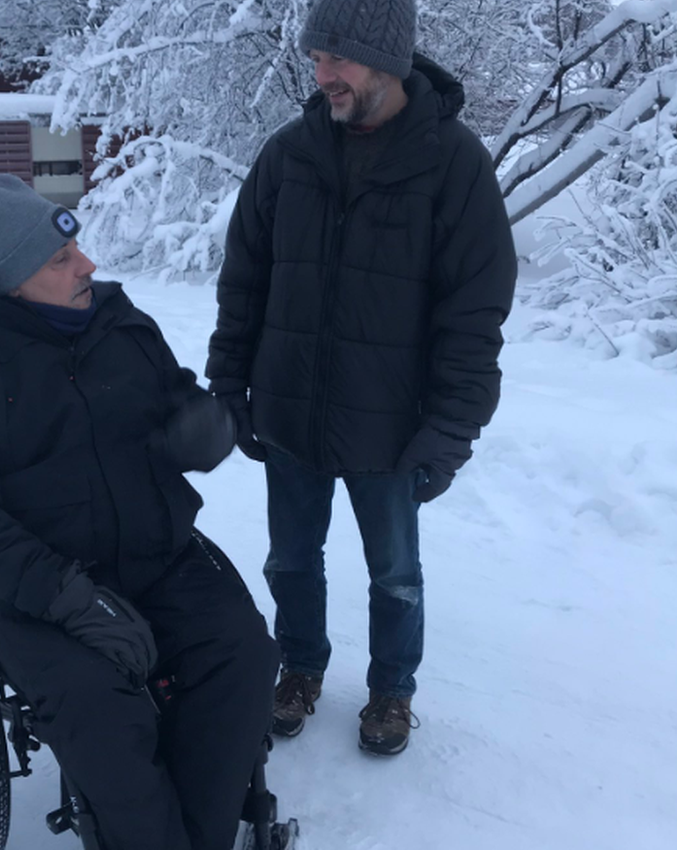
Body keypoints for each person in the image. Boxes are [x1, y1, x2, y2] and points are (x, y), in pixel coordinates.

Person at [0, 174, 279, 850]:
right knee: (102, 709)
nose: (88, 266)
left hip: (160, 558)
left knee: (244, 656)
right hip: (41, 588)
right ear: (11, 280)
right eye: (60, 260)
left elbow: (179, 401)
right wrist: (68, 598)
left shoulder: (121, 324)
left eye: (78, 250)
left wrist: (206, 430)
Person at [206, 0, 518, 755]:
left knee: (396, 575)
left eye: (335, 59)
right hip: (290, 414)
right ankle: (301, 668)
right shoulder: (290, 153)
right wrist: (229, 388)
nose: (322, 74)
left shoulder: (454, 163)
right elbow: (244, 279)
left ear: (384, 60)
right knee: (289, 560)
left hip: (391, 424)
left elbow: (473, 315)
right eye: (315, 58)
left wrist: (448, 430)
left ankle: (392, 692)